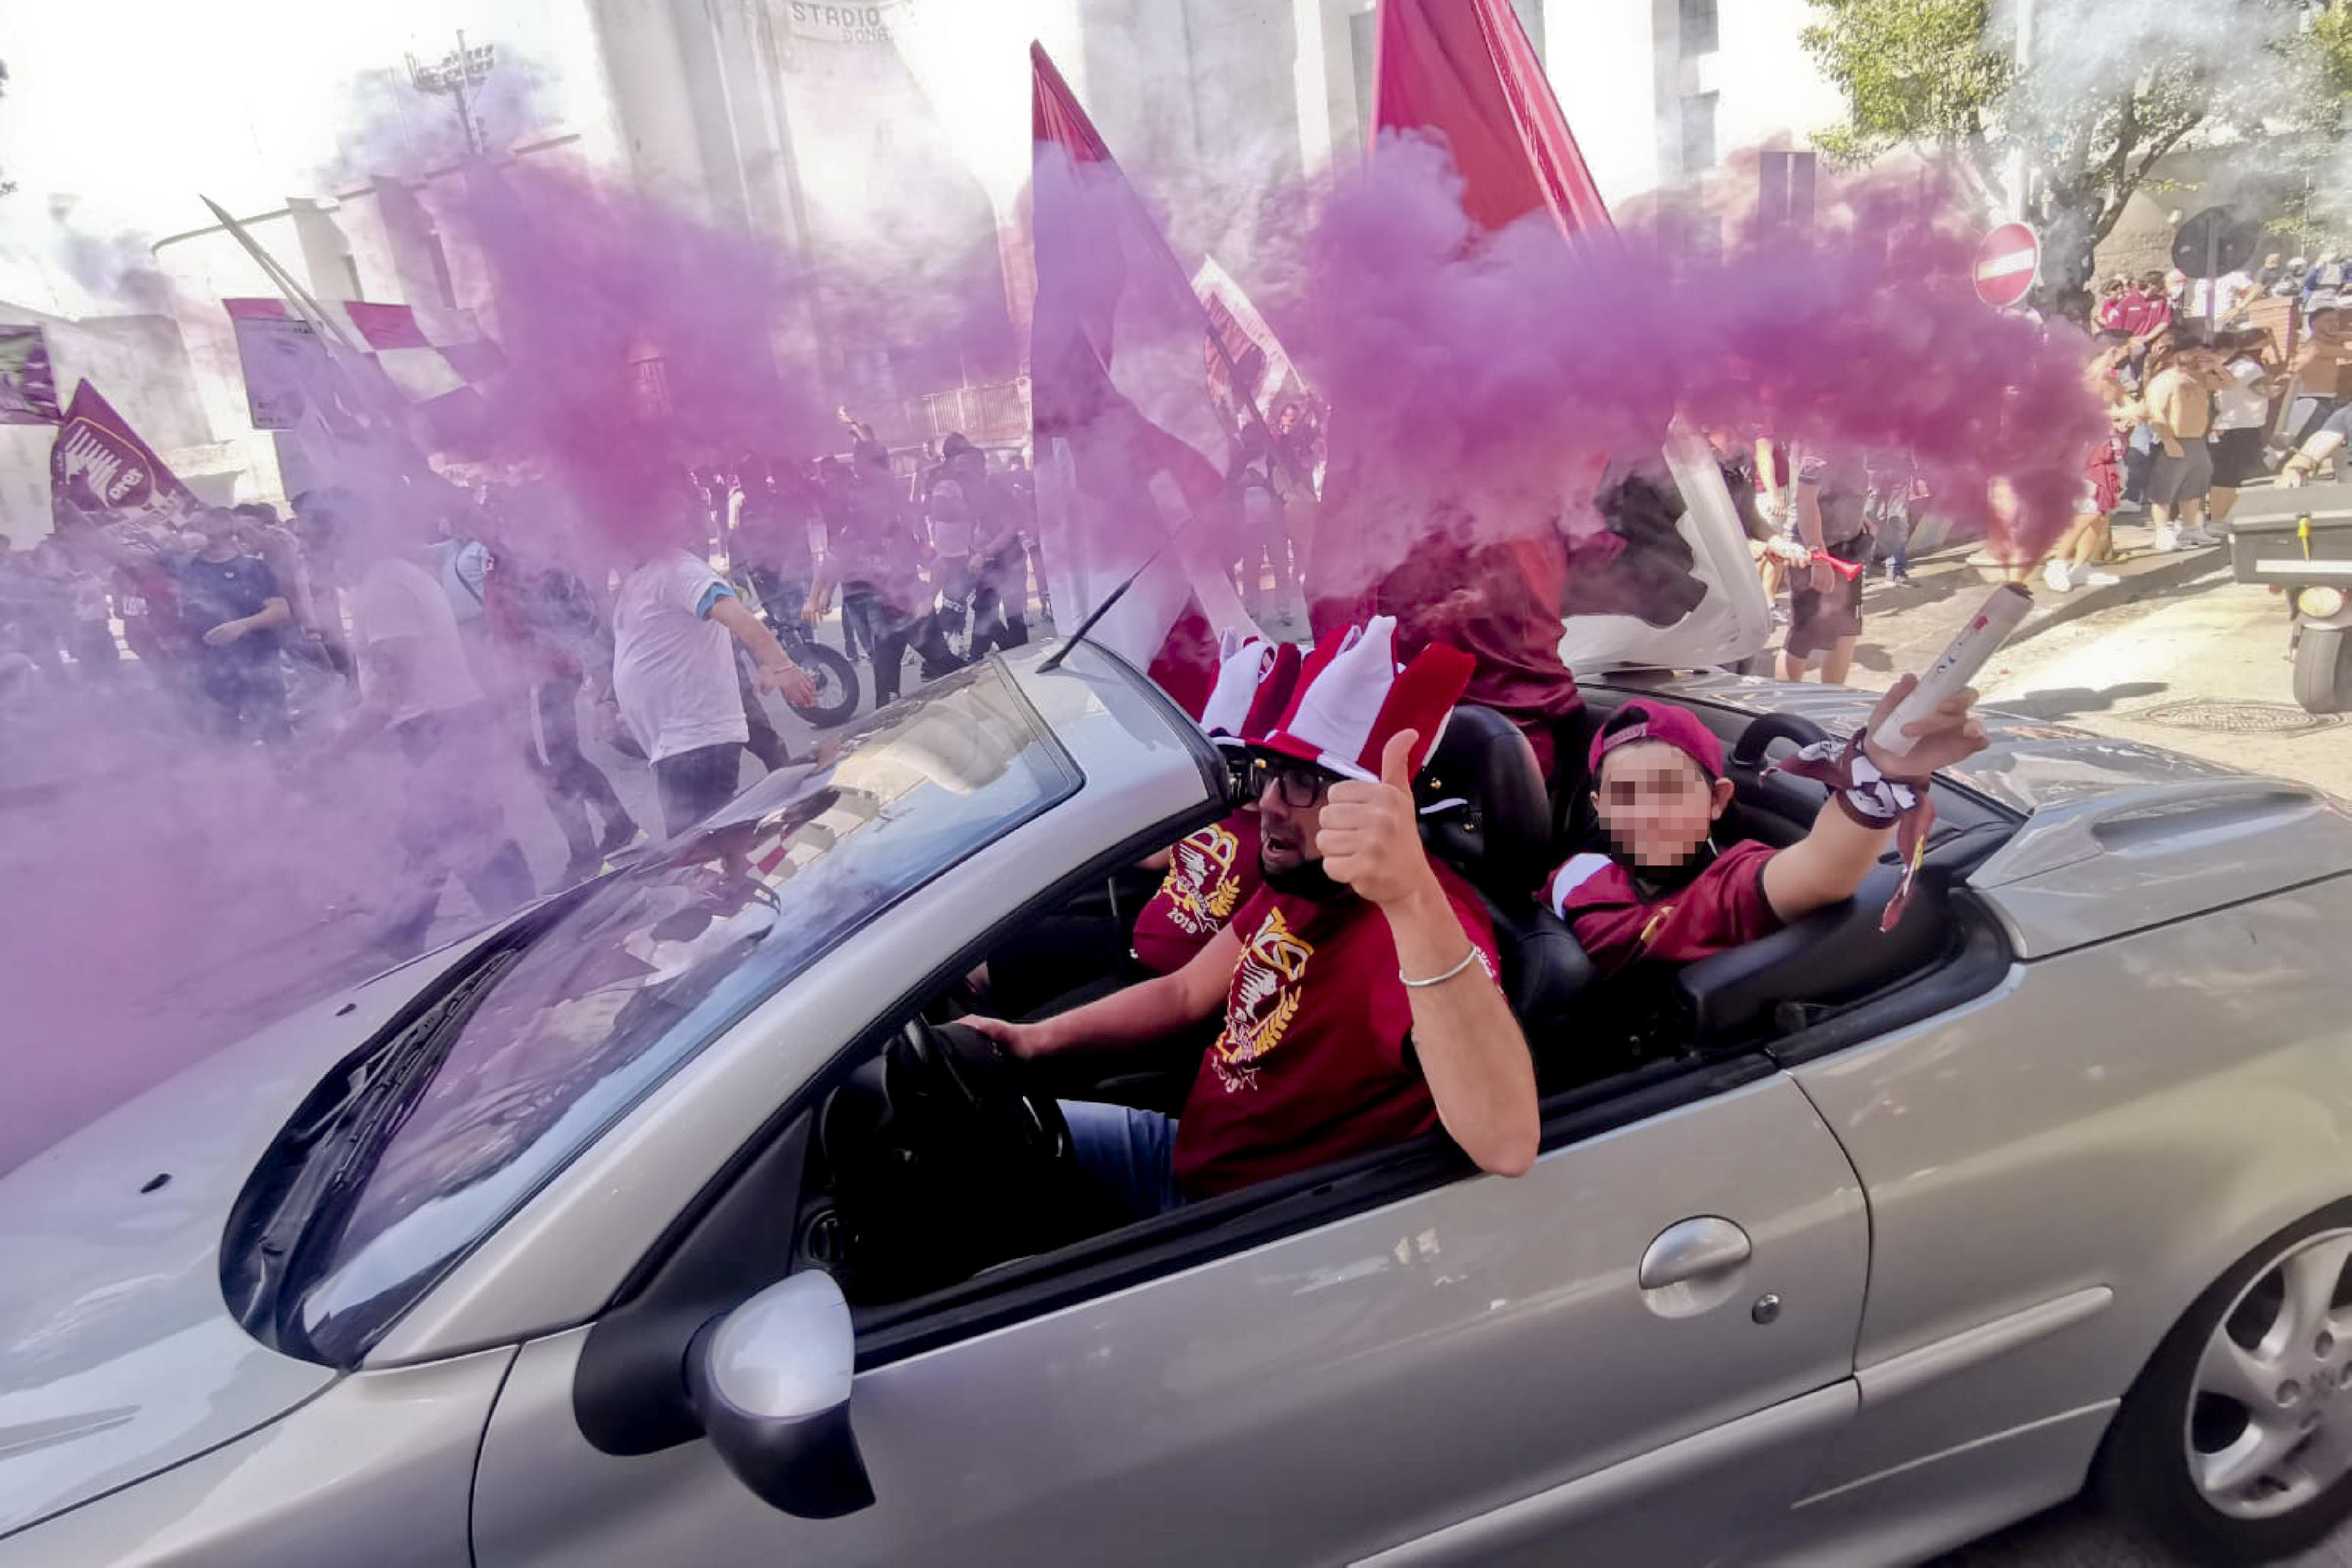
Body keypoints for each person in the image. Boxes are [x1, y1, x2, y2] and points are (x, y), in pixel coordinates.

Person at [965, 619, 1539, 1217]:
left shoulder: (1419, 931)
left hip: (1237, 1228)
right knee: (961, 1131)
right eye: (1270, 774)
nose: (1266, 803)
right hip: (1177, 1152)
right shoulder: (1308, 882)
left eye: (1300, 784)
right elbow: (1184, 992)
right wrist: (1030, 1042)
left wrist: (1411, 897)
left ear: (1373, 804)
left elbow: (1507, 1142)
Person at [1542, 683, 1986, 988]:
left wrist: (1883, 775)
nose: (1647, 814)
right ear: (1599, 809)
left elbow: (1822, 869)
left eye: (1670, 790)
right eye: (1625, 795)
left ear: (1717, 800)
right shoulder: (1576, 875)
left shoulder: (1730, 888)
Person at [306, 492, 537, 957]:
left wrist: (331, 753)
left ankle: (529, 936)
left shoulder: (384, 590)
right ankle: (406, 932)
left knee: (470, 844)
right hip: (446, 726)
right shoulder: (390, 580)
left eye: (310, 539)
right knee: (434, 839)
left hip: (440, 729)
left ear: (343, 536)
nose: (304, 551)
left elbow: (391, 690)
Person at [612, 481, 820, 838]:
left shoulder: (678, 569)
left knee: (701, 856)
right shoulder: (640, 579)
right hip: (678, 747)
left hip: (697, 743)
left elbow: (738, 617)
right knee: (706, 854)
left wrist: (781, 666)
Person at [815, 440, 959, 707]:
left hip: (914, 612)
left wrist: (929, 598)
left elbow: (939, 564)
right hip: (881, 620)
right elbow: (833, 560)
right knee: (887, 695)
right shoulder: (852, 532)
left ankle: (984, 692)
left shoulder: (902, 531)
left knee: (950, 668)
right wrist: (819, 595)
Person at [175, 506, 294, 742]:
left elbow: (280, 611)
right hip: (209, 665)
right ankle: (233, 776)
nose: (193, 534)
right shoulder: (185, 568)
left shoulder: (252, 567)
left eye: (201, 527)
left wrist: (240, 626)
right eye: (191, 528)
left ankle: (290, 773)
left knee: (274, 729)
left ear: (222, 532)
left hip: (259, 661)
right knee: (223, 733)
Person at [1777, 448, 1871, 684]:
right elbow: (1805, 498)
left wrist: (1859, 520)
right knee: (1804, 634)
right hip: (1817, 548)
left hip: (1849, 544)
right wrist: (1818, 556)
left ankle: (1833, 699)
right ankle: (1785, 703)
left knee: (1846, 630)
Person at [2143, 331, 2222, 552]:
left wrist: (2217, 365)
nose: (2199, 356)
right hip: (2174, 440)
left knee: (2194, 489)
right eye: (2193, 352)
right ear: (2179, 354)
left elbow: (2230, 383)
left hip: (2197, 440)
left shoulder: (2199, 379)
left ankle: (2191, 528)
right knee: (2164, 490)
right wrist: (2168, 440)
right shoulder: (2166, 380)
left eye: (2201, 352)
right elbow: (2154, 412)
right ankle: (2162, 532)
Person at [2208, 327, 2282, 527]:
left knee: (2232, 478)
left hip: (2237, 426)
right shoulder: (2248, 368)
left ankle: (2222, 518)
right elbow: (2267, 392)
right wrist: (2283, 382)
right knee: (2226, 478)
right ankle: (2217, 520)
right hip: (2238, 427)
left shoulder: (2235, 367)